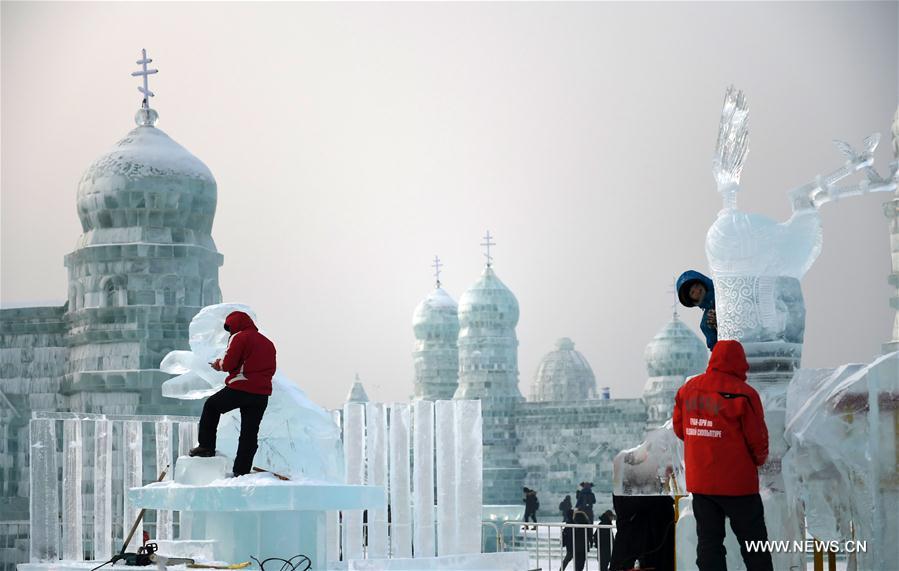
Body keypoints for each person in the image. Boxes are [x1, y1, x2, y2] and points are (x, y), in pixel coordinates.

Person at [673, 340, 773, 571]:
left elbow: (681, 430)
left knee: (709, 544)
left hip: (702, 485)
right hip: (739, 486)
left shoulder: (688, 390)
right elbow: (757, 439)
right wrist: (759, 460)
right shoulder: (745, 394)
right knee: (754, 546)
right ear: (741, 362)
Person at [190, 311, 277, 477]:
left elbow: (229, 363)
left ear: (235, 325)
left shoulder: (239, 337)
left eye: (229, 328)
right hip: (261, 395)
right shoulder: (268, 342)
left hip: (240, 387)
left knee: (211, 406)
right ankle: (241, 471)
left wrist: (218, 364)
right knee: (249, 433)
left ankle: (206, 447)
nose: (229, 332)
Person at [676, 270, 717, 350]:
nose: (697, 291)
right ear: (692, 300)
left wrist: (722, 316)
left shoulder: (723, 288)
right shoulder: (706, 323)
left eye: (697, 285)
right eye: (692, 292)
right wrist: (718, 326)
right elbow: (718, 349)